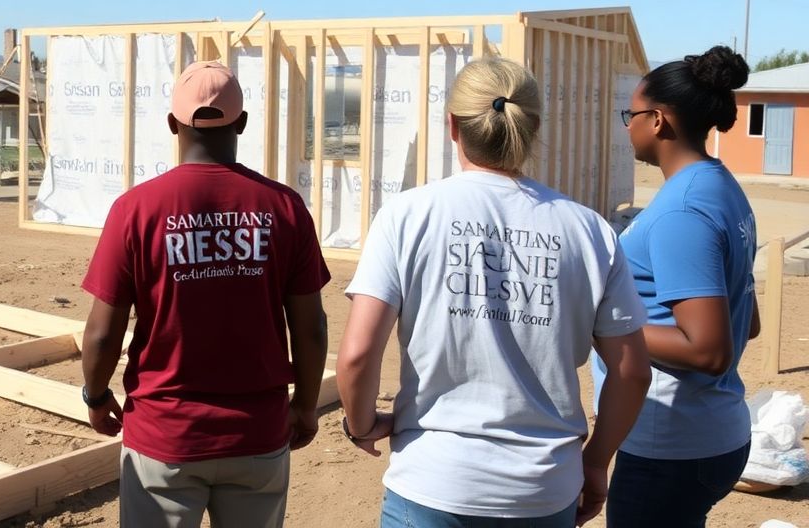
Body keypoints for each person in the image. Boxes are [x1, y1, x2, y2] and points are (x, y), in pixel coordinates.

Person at [337, 57, 653, 527]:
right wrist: (593, 460)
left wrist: (360, 424)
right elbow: (631, 373)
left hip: (432, 482)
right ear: (535, 127)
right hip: (543, 490)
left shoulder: (407, 215)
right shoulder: (589, 231)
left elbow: (358, 355)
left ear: (452, 126)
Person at [81, 60, 331, 528]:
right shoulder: (284, 207)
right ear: (243, 122)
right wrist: (305, 404)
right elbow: (312, 327)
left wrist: (95, 397)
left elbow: (101, 332)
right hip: (256, 436)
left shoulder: (136, 210)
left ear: (172, 123)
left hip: (165, 437)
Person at [601, 45, 759, 526]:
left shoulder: (681, 211)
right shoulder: (719, 184)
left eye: (631, 113)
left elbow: (710, 350)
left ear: (659, 120)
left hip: (670, 446)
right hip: (706, 433)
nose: (627, 125)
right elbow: (746, 320)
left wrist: (603, 326)